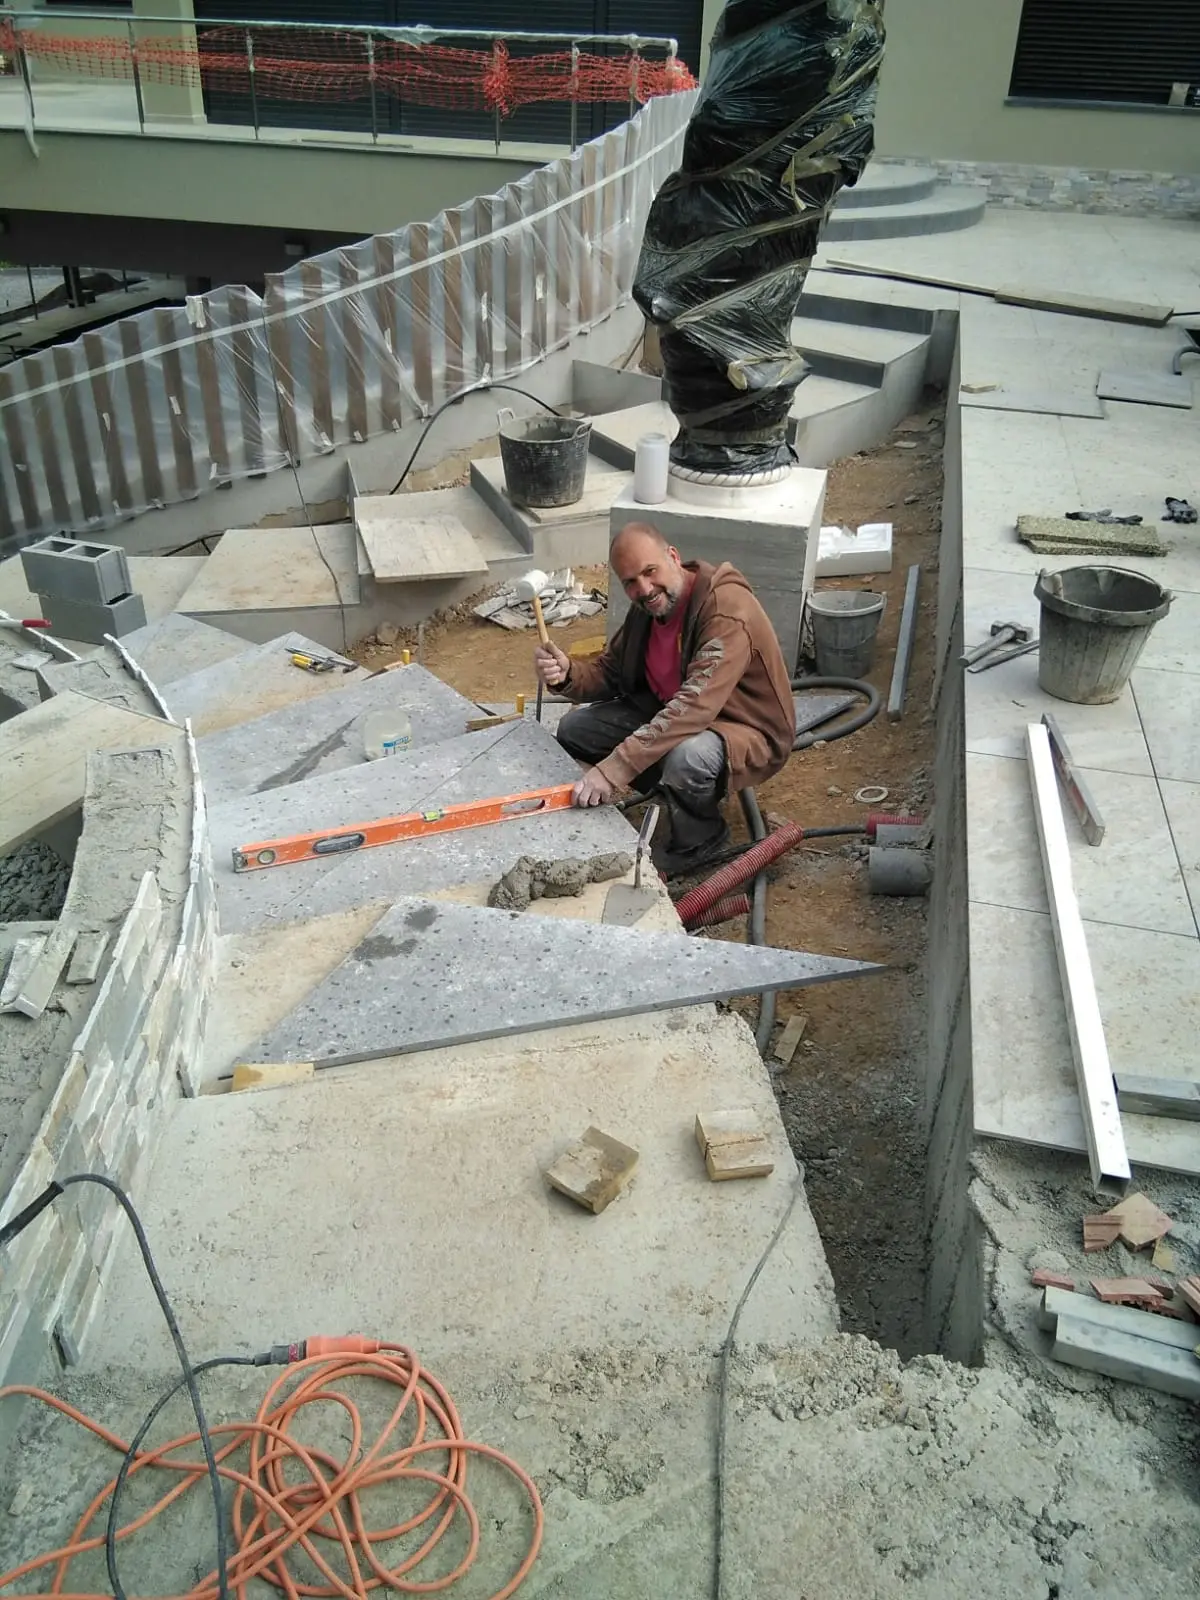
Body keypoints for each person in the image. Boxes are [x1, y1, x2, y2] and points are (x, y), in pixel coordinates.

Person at [533, 523, 796, 875]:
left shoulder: (725, 610)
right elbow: (612, 671)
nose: (643, 588)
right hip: (673, 713)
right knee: (576, 728)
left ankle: (701, 839)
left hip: (742, 728)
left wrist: (612, 772)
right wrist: (568, 674)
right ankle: (673, 790)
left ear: (673, 557)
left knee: (687, 757)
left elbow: (693, 708)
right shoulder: (650, 607)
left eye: (649, 571)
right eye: (630, 581)